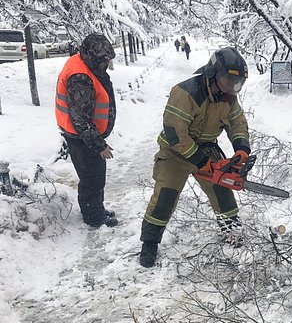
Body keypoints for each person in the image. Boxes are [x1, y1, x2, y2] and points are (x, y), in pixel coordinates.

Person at [139, 47, 250, 267]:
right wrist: (200, 161)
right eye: (228, 80)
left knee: (222, 188)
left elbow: (237, 123)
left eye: (236, 82)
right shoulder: (186, 92)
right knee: (165, 196)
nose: (232, 86)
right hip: (175, 151)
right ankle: (149, 242)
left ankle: (231, 230)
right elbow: (174, 132)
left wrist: (241, 147)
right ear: (214, 73)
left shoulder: (229, 98)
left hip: (206, 147)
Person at [55, 33, 118, 228]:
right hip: (82, 138)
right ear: (91, 56)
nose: (105, 65)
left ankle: (96, 209)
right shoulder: (80, 77)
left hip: (85, 136)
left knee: (96, 176)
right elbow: (80, 118)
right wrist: (99, 144)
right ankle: (93, 217)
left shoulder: (84, 65)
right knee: (92, 179)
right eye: (102, 61)